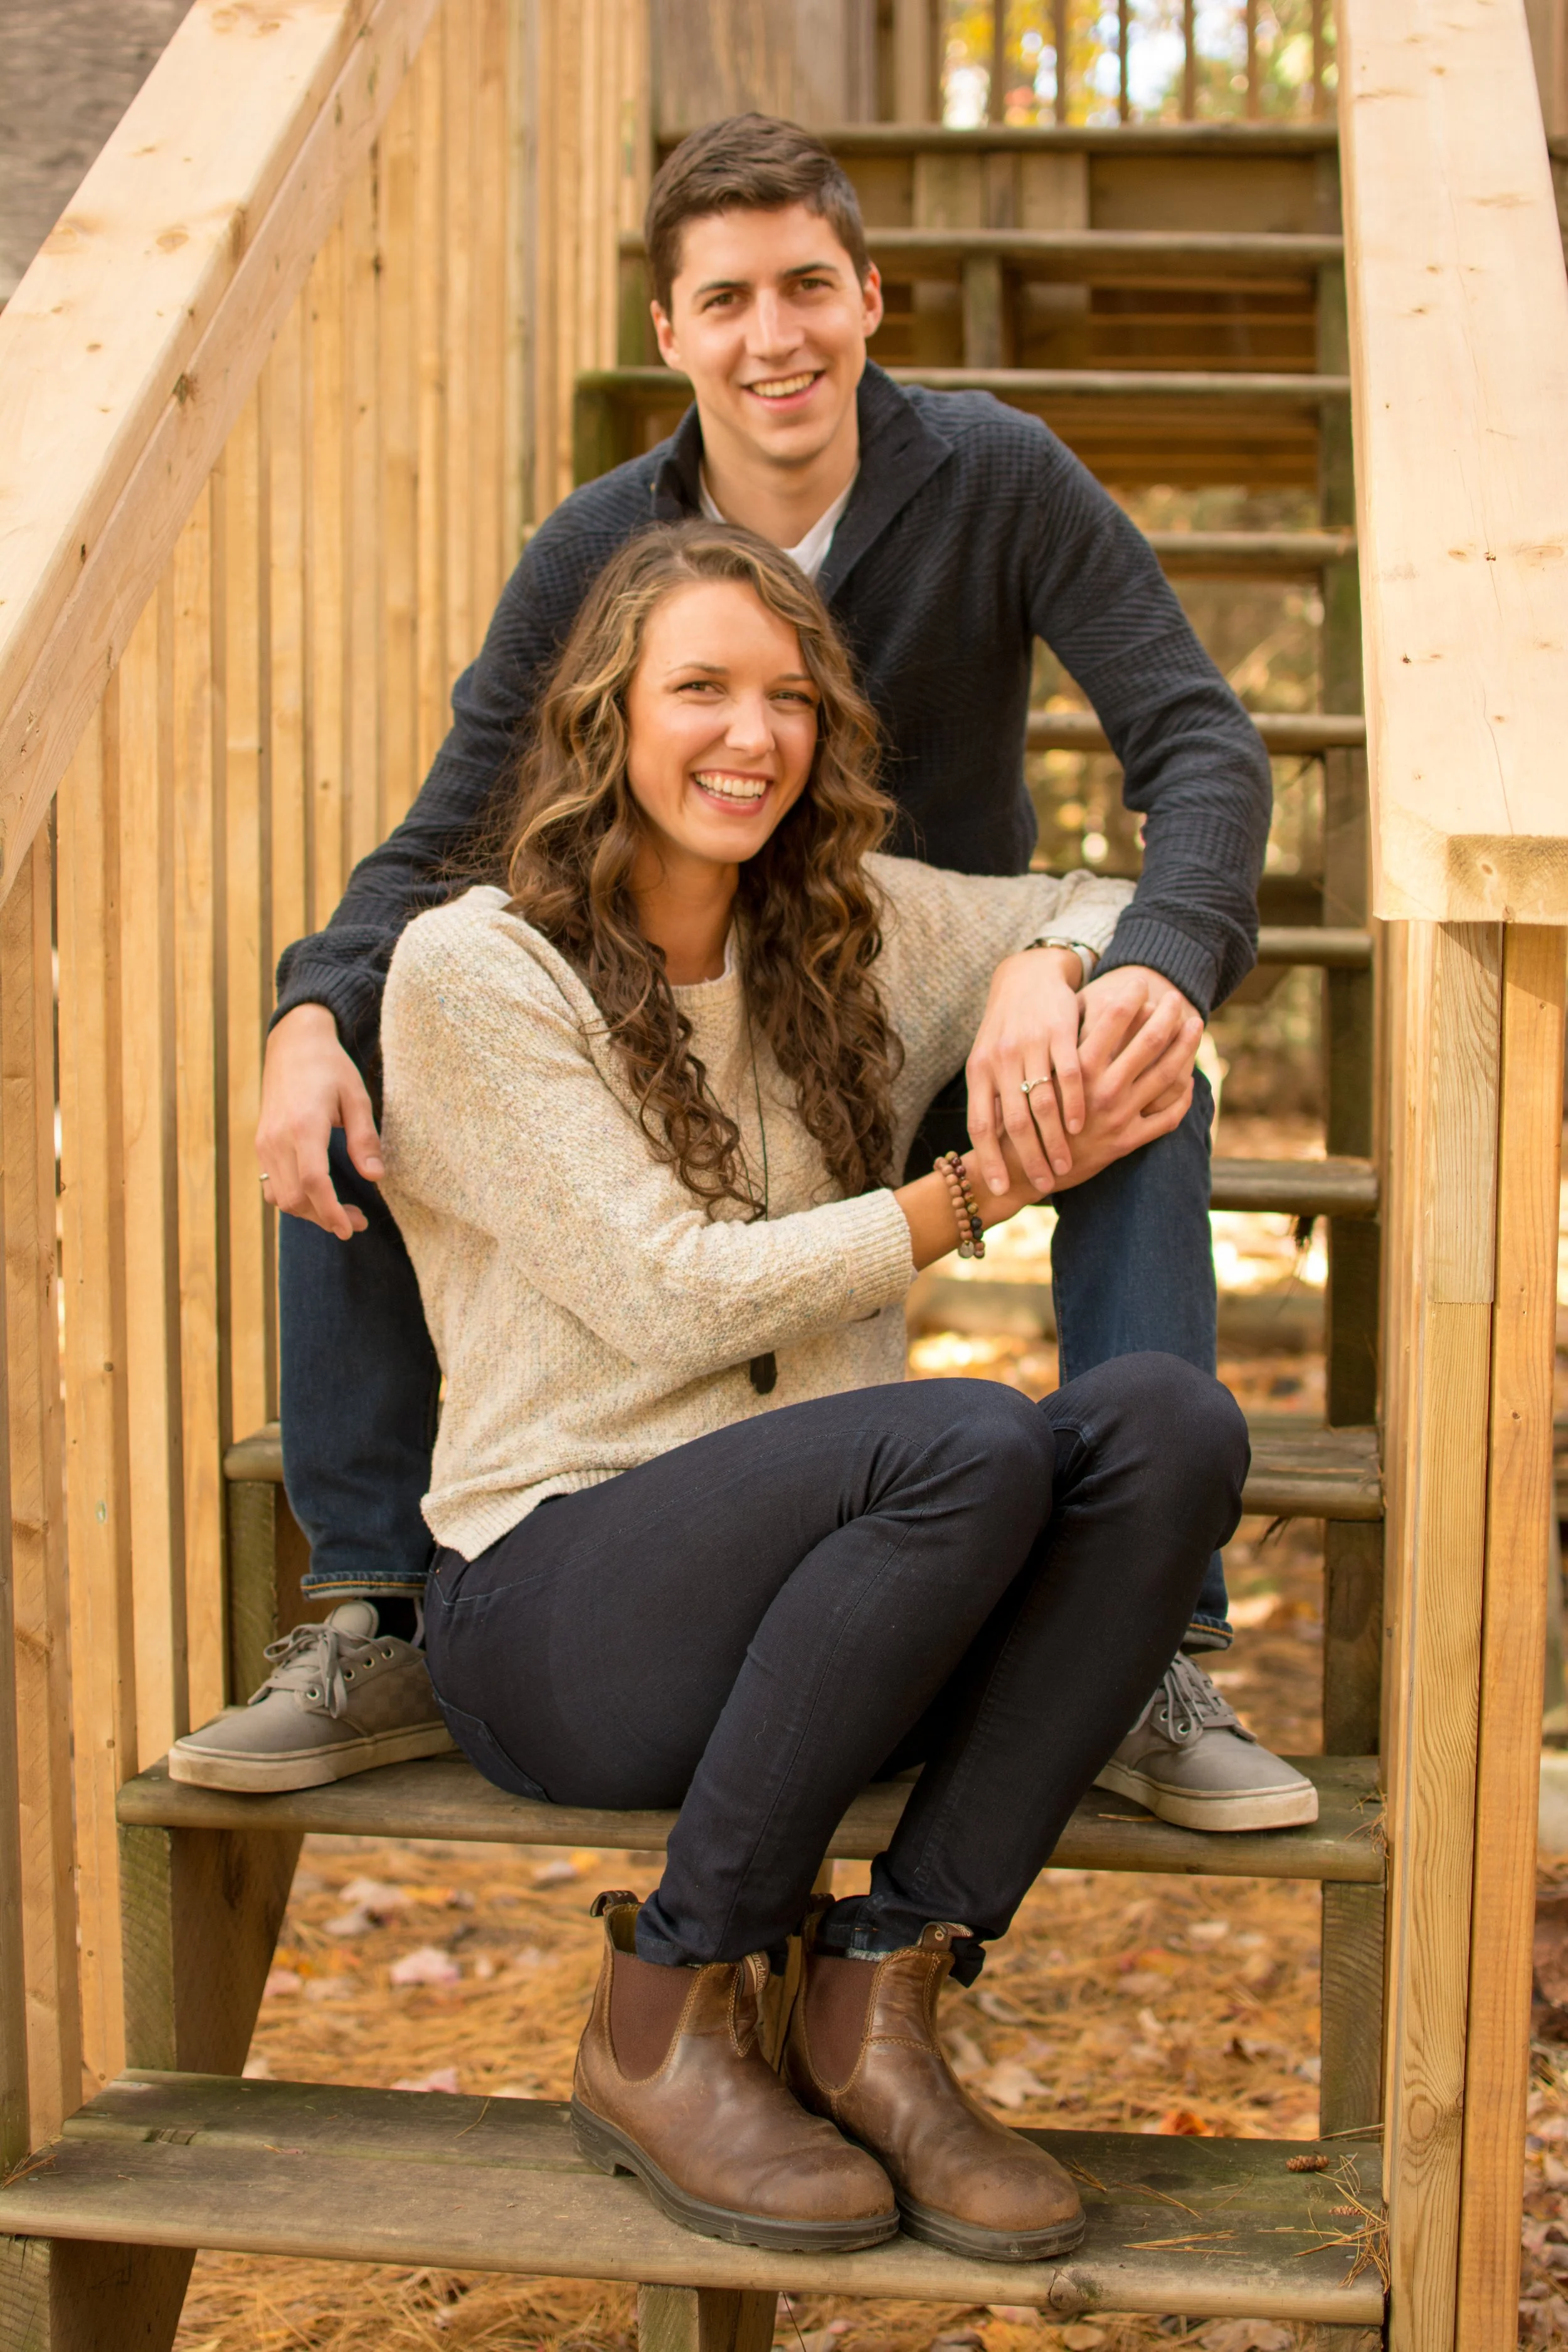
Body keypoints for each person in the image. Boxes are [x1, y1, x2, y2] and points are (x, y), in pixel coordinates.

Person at [171, 112, 1312, 1832]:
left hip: (924, 1002)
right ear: (671, 334)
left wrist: (1107, 957)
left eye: (804, 287)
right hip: (697, 1019)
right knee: (365, 1044)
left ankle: (1153, 1643)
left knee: (1141, 1062)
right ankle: (376, 1604)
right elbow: (438, 849)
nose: (771, 336)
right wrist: (305, 1016)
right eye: (726, 299)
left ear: (869, 298)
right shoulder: (600, 550)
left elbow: (1201, 748)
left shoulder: (993, 475)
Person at [331, 524, 1254, 2254]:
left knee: (1169, 1427)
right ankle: (665, 2011)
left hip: (851, 1607)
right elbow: (658, 1292)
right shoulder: (474, 968)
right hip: (563, 1609)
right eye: (700, 688)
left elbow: (1118, 903)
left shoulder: (854, 929)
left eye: (786, 697)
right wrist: (962, 1195)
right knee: (965, 1435)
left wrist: (1046, 975)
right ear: (607, 713)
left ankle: (881, 1999)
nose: (749, 735)